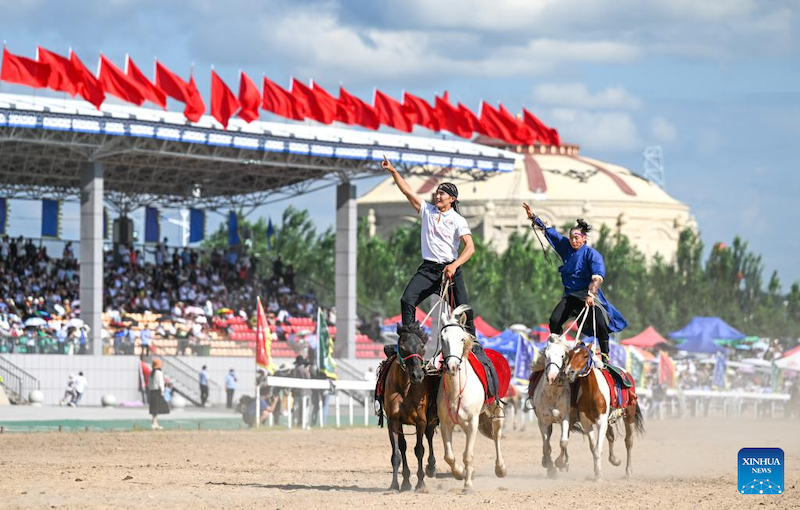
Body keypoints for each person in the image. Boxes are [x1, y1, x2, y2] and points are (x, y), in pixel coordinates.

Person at [522, 204, 628, 366]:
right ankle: (558, 350)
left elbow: (597, 278)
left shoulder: (592, 255)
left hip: (588, 295)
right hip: (571, 296)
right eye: (571, 237)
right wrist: (534, 218)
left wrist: (591, 295)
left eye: (577, 238)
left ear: (584, 238)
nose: (573, 240)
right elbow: (551, 233)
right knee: (554, 320)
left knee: (601, 323)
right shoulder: (565, 247)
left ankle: (606, 355)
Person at [381, 155, 476, 335]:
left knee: (465, 312)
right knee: (407, 300)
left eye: (442, 193)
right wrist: (393, 171)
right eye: (437, 192)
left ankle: (475, 348)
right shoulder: (427, 211)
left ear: (452, 199)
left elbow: (470, 247)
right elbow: (408, 192)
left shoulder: (458, 220)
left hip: (450, 271)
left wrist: (454, 265)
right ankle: (409, 339)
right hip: (428, 270)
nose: (437, 196)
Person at [148, 358, 170, 429]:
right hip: (158, 391)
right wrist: (162, 391)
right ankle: (154, 423)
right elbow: (161, 383)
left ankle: (155, 422)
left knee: (154, 408)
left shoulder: (151, 373)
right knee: (157, 408)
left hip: (152, 391)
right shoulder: (159, 373)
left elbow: (149, 384)